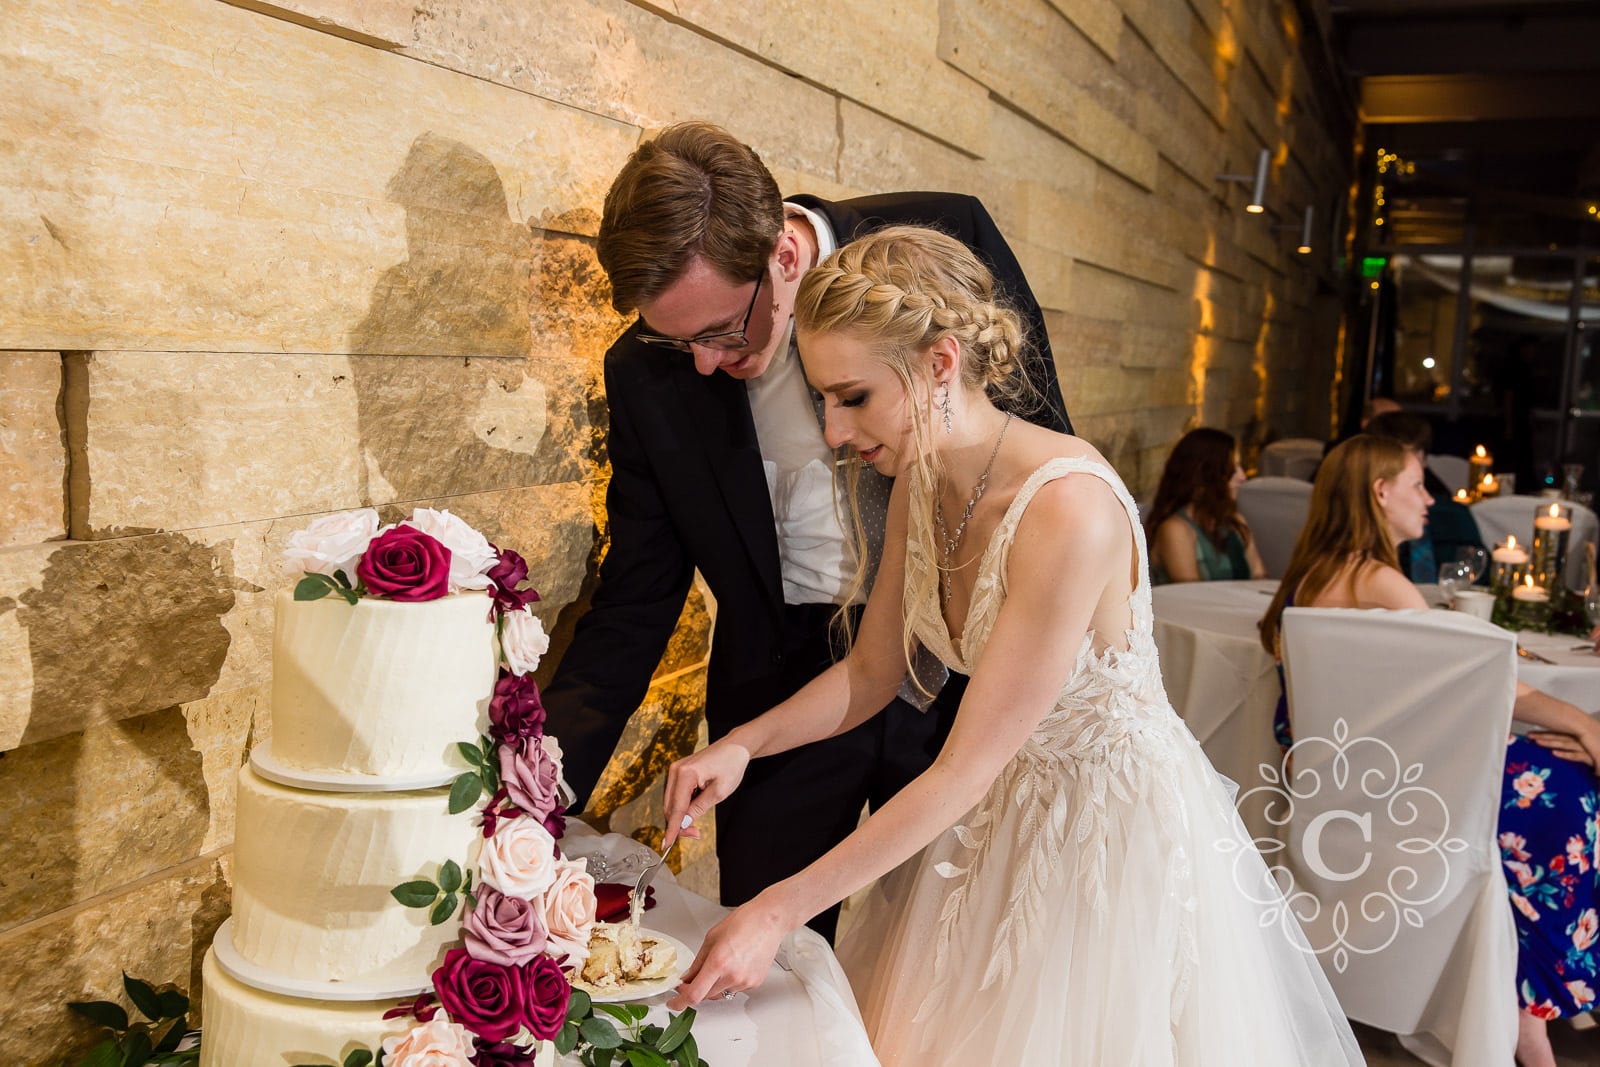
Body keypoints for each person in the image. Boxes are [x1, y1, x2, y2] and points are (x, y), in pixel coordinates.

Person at [657, 226, 1363, 1065]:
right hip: (995, 817)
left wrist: (777, 909)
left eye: (852, 397)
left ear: (940, 364)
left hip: (1105, 839)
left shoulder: (1069, 509)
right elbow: (876, 670)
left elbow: (961, 768)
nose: (835, 432)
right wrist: (741, 744)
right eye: (822, 400)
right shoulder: (922, 474)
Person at [541, 123, 1071, 940]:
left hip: (962, 672)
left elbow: (1033, 463)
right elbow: (638, 594)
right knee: (771, 960)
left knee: (951, 954)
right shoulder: (647, 369)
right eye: (678, 340)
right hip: (782, 691)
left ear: (785, 258)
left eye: (723, 331)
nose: (705, 365)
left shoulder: (943, 239)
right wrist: (539, 793)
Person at [1259, 435, 1600, 1067]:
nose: (1428, 499)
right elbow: (1475, 683)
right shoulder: (1381, 581)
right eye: (1417, 484)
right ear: (1379, 492)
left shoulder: (1316, 572)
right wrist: (1582, 719)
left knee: (1553, 774)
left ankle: (1534, 999)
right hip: (1406, 784)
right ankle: (1536, 1012)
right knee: (1573, 799)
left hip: (1353, 774)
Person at [1361, 410, 1486, 582]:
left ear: (1424, 460)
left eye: (1410, 458)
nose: (1428, 500)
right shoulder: (1355, 535)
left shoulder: (1455, 517)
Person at [1145, 427, 1266, 584]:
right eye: (1232, 468)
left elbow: (1260, 576)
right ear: (1205, 474)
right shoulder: (1175, 529)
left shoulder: (1235, 522)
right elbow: (1192, 596)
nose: (1243, 476)